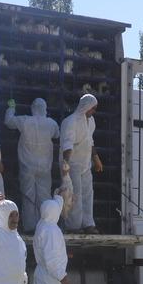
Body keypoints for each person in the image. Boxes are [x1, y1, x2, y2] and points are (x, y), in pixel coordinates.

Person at [4, 97, 60, 232]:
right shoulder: (51, 123)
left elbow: (8, 122)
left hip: (27, 166)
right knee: (44, 195)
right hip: (45, 166)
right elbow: (57, 135)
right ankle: (45, 224)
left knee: (28, 195)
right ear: (45, 108)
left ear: (32, 108)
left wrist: (11, 107)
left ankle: (30, 226)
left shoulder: (25, 121)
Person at [59, 93, 103, 234]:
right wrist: (65, 163)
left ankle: (88, 224)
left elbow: (90, 142)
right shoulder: (71, 122)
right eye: (93, 108)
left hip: (85, 165)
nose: (94, 111)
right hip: (73, 165)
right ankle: (73, 226)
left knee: (88, 195)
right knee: (74, 195)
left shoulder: (91, 122)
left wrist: (96, 159)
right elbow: (67, 144)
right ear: (86, 106)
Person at [33, 188, 70, 284]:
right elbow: (52, 258)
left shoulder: (42, 224)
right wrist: (62, 276)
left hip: (43, 273)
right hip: (51, 276)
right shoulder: (51, 230)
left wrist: (58, 197)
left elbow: (54, 208)